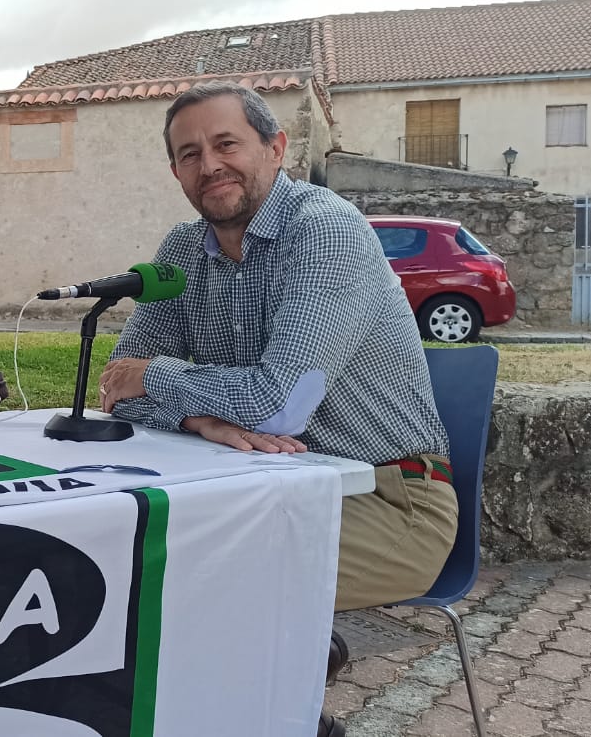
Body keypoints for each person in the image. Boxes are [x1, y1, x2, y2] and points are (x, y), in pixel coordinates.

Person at [95, 82, 457, 737]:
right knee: (134, 553)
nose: (209, 165)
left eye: (226, 143)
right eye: (188, 153)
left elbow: (277, 403)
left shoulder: (326, 233)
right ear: (175, 171)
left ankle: (298, 709)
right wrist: (195, 416)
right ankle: (292, 663)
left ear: (276, 146)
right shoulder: (182, 250)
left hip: (391, 500)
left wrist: (163, 377)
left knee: (184, 578)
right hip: (258, 493)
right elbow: (120, 395)